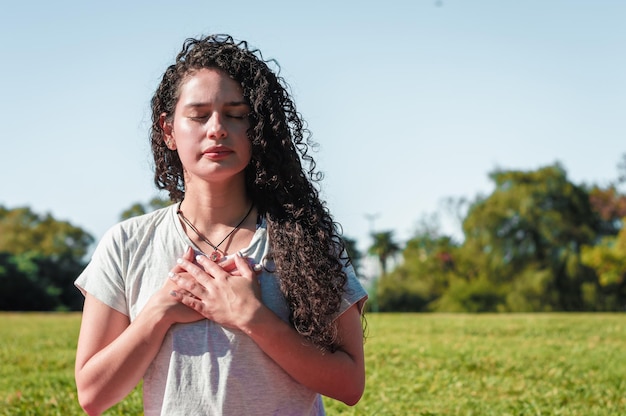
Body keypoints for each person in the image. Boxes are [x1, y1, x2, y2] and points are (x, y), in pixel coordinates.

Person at [74, 34, 368, 416]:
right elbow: (93, 395)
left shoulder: (306, 239)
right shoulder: (127, 243)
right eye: (198, 115)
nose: (217, 129)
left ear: (257, 128)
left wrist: (253, 318)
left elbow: (349, 384)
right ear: (168, 130)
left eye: (236, 114)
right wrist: (159, 312)